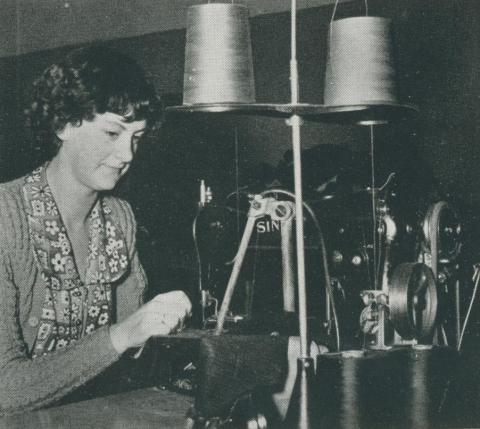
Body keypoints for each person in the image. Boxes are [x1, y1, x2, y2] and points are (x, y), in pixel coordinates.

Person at [0, 45, 192, 414]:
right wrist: (121, 336)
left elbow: (134, 359)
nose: (127, 155)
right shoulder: (6, 216)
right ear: (63, 124)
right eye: (112, 133)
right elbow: (4, 391)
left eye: (136, 136)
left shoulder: (119, 218)